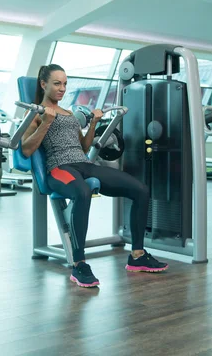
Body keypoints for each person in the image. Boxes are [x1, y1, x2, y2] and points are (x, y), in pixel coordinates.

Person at [20, 64, 169, 288]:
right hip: (59, 168)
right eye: (57, 83)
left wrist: (94, 124)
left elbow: (83, 145)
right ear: (43, 85)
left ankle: (137, 255)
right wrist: (46, 122)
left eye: (65, 84)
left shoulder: (68, 113)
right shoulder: (35, 113)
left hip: (84, 163)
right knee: (82, 191)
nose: (62, 89)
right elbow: (26, 149)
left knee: (140, 190)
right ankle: (79, 265)